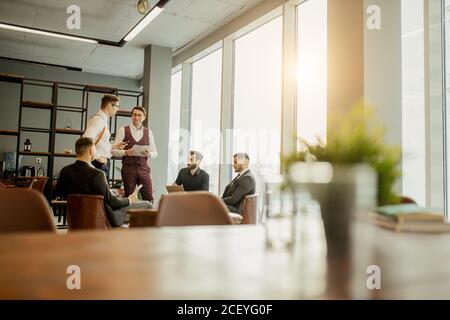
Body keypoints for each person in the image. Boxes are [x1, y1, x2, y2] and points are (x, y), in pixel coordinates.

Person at [54, 137, 152, 227]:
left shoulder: (65, 171)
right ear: (92, 151)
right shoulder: (97, 174)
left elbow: (58, 192)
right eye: (95, 149)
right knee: (148, 205)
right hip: (105, 216)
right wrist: (130, 199)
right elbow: (113, 202)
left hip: (76, 219)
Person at [112, 106, 157, 202]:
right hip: (128, 169)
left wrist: (149, 154)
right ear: (131, 116)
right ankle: (130, 217)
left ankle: (148, 217)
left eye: (139, 115)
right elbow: (113, 151)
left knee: (149, 198)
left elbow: (155, 153)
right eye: (134, 115)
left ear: (144, 117)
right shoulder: (123, 130)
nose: (136, 117)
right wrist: (125, 152)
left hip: (144, 169)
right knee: (129, 199)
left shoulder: (148, 132)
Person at [83, 94, 127, 181]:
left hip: (100, 165)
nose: (117, 109)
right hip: (98, 165)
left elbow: (98, 143)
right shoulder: (98, 120)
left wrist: (113, 146)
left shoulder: (102, 120)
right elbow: (86, 139)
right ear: (109, 105)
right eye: (117, 106)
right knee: (99, 193)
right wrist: (98, 157)